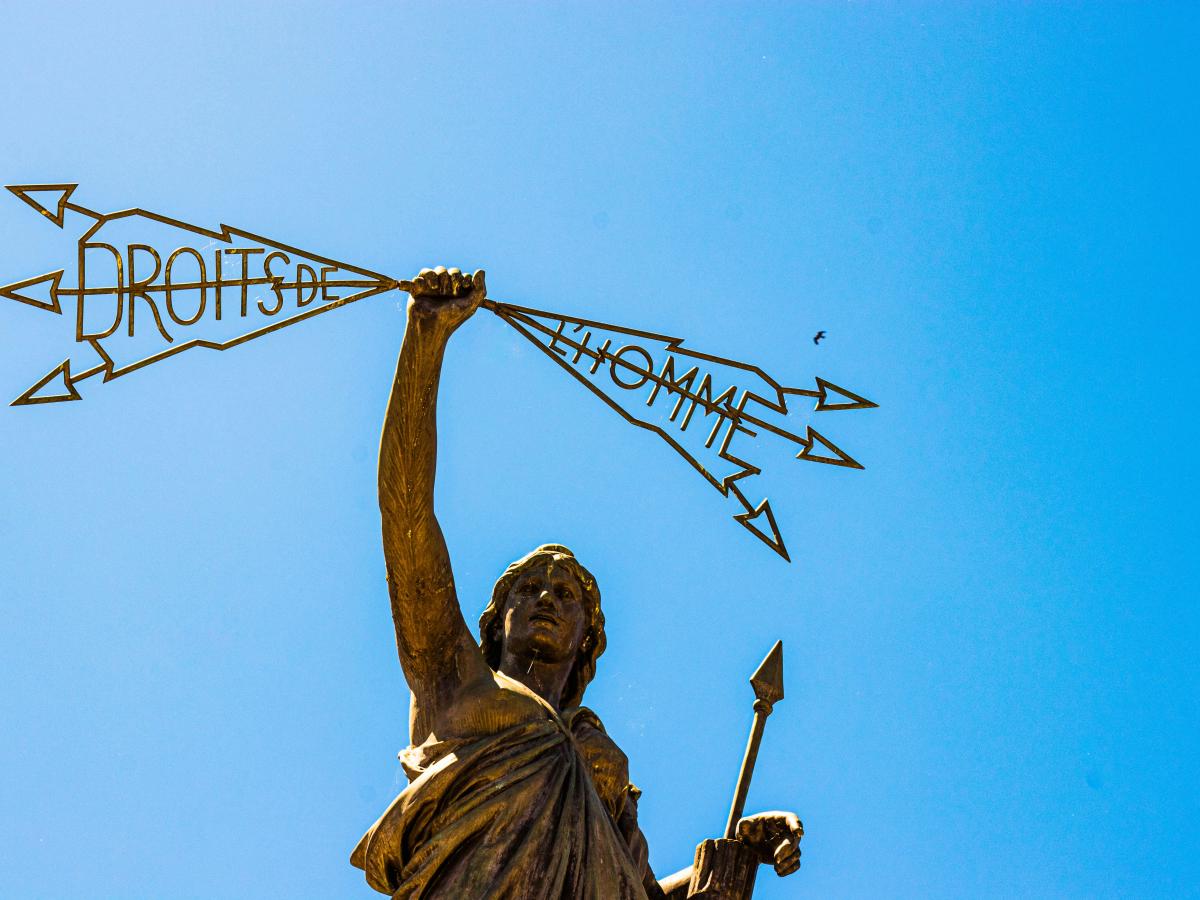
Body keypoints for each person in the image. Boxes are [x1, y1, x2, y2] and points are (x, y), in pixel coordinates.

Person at [351, 267, 803, 899]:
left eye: (566, 595)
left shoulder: (603, 764)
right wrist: (424, 340)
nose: (546, 598)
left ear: (588, 638)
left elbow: (638, 893)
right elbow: (406, 514)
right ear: (496, 618)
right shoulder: (457, 679)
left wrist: (728, 862)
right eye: (529, 588)